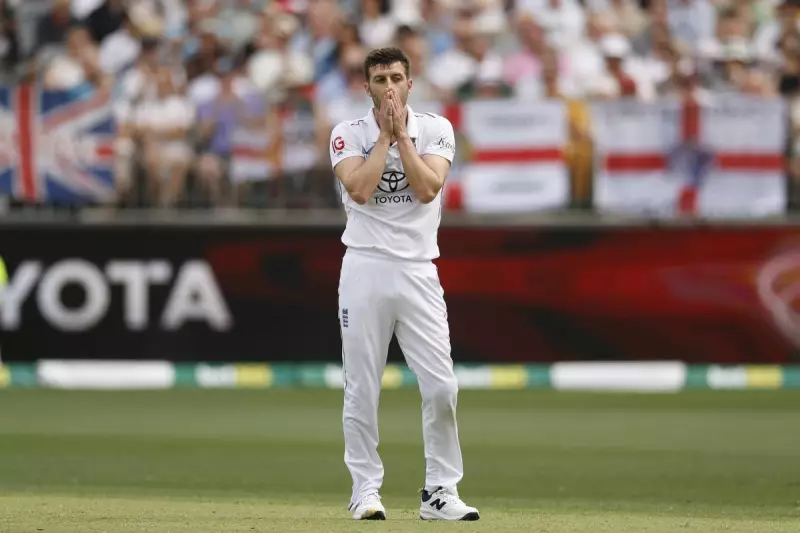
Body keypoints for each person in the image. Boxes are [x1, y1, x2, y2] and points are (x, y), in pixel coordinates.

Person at [328, 47, 480, 522]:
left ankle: (439, 491)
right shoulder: (346, 134)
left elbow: (428, 188)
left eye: (396, 77)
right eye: (379, 79)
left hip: (419, 269)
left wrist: (402, 140)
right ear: (367, 87)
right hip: (365, 267)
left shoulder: (436, 128)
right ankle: (365, 490)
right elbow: (360, 189)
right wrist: (384, 140)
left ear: (410, 83)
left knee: (441, 386)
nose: (389, 87)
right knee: (362, 386)